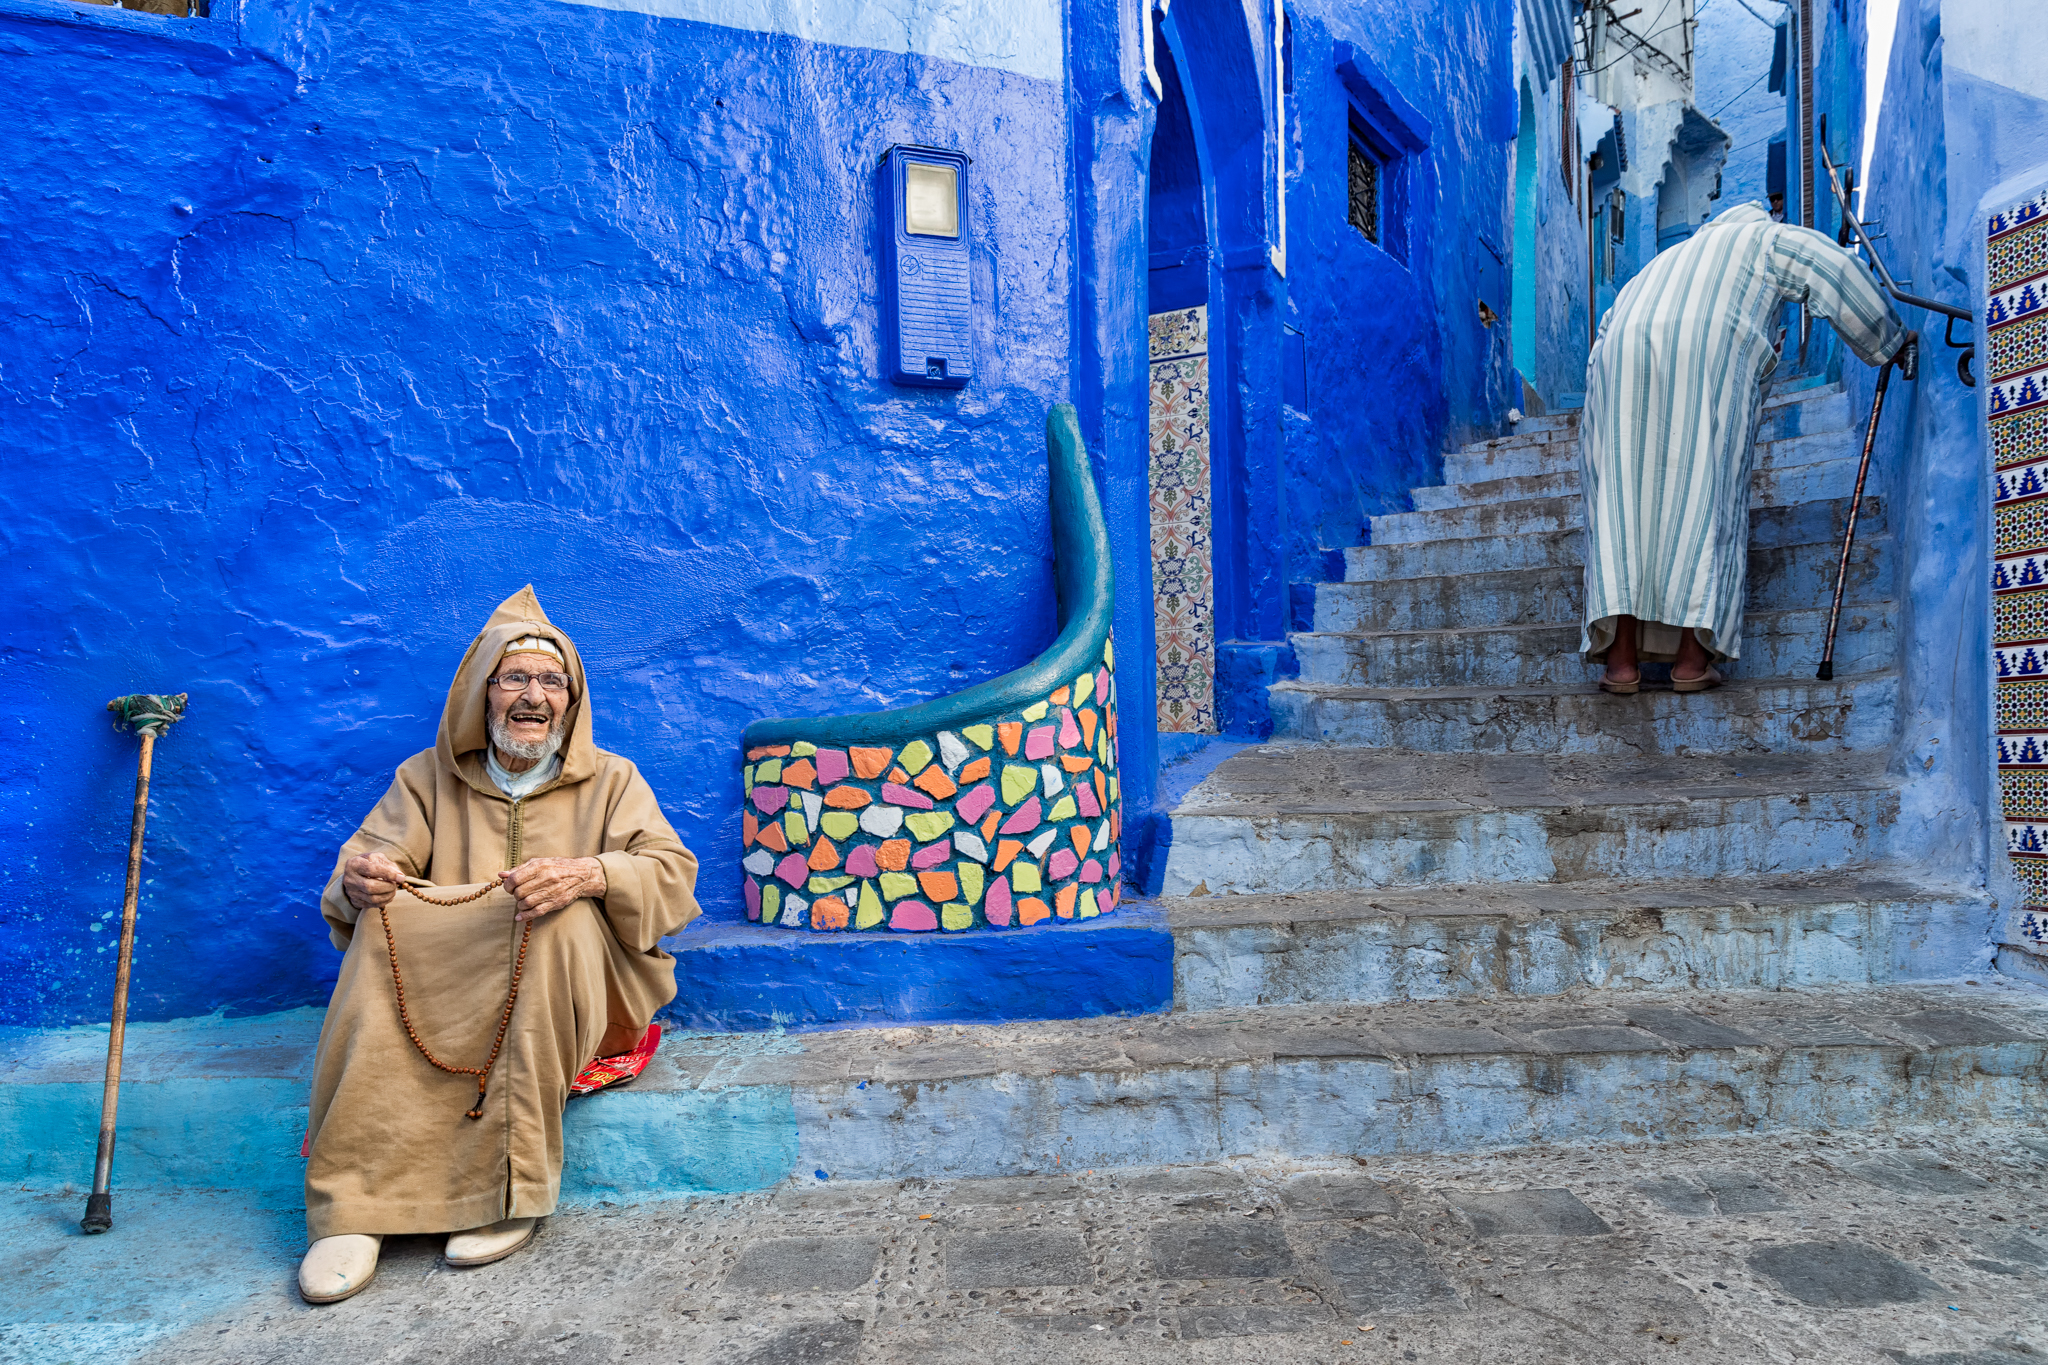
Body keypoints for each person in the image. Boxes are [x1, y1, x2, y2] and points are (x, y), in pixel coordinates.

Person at [297, 586, 700, 1304]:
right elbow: (365, 864)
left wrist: (590, 872)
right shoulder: (425, 779)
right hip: (454, 987)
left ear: (571, 703)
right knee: (380, 923)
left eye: (551, 681)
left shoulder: (614, 781)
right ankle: (355, 1207)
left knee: (555, 913)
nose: (533, 695)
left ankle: (508, 1192)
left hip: (581, 988)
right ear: (482, 693)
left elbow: (672, 876)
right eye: (514, 676)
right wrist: (362, 882)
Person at [1579, 200, 1912, 693]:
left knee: (1623, 506)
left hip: (1620, 358)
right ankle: (1690, 664)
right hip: (1710, 353)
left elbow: (1605, 330)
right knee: (1706, 492)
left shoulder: (1660, 262)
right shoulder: (1764, 238)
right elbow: (1832, 265)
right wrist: (1888, 340)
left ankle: (1621, 665)